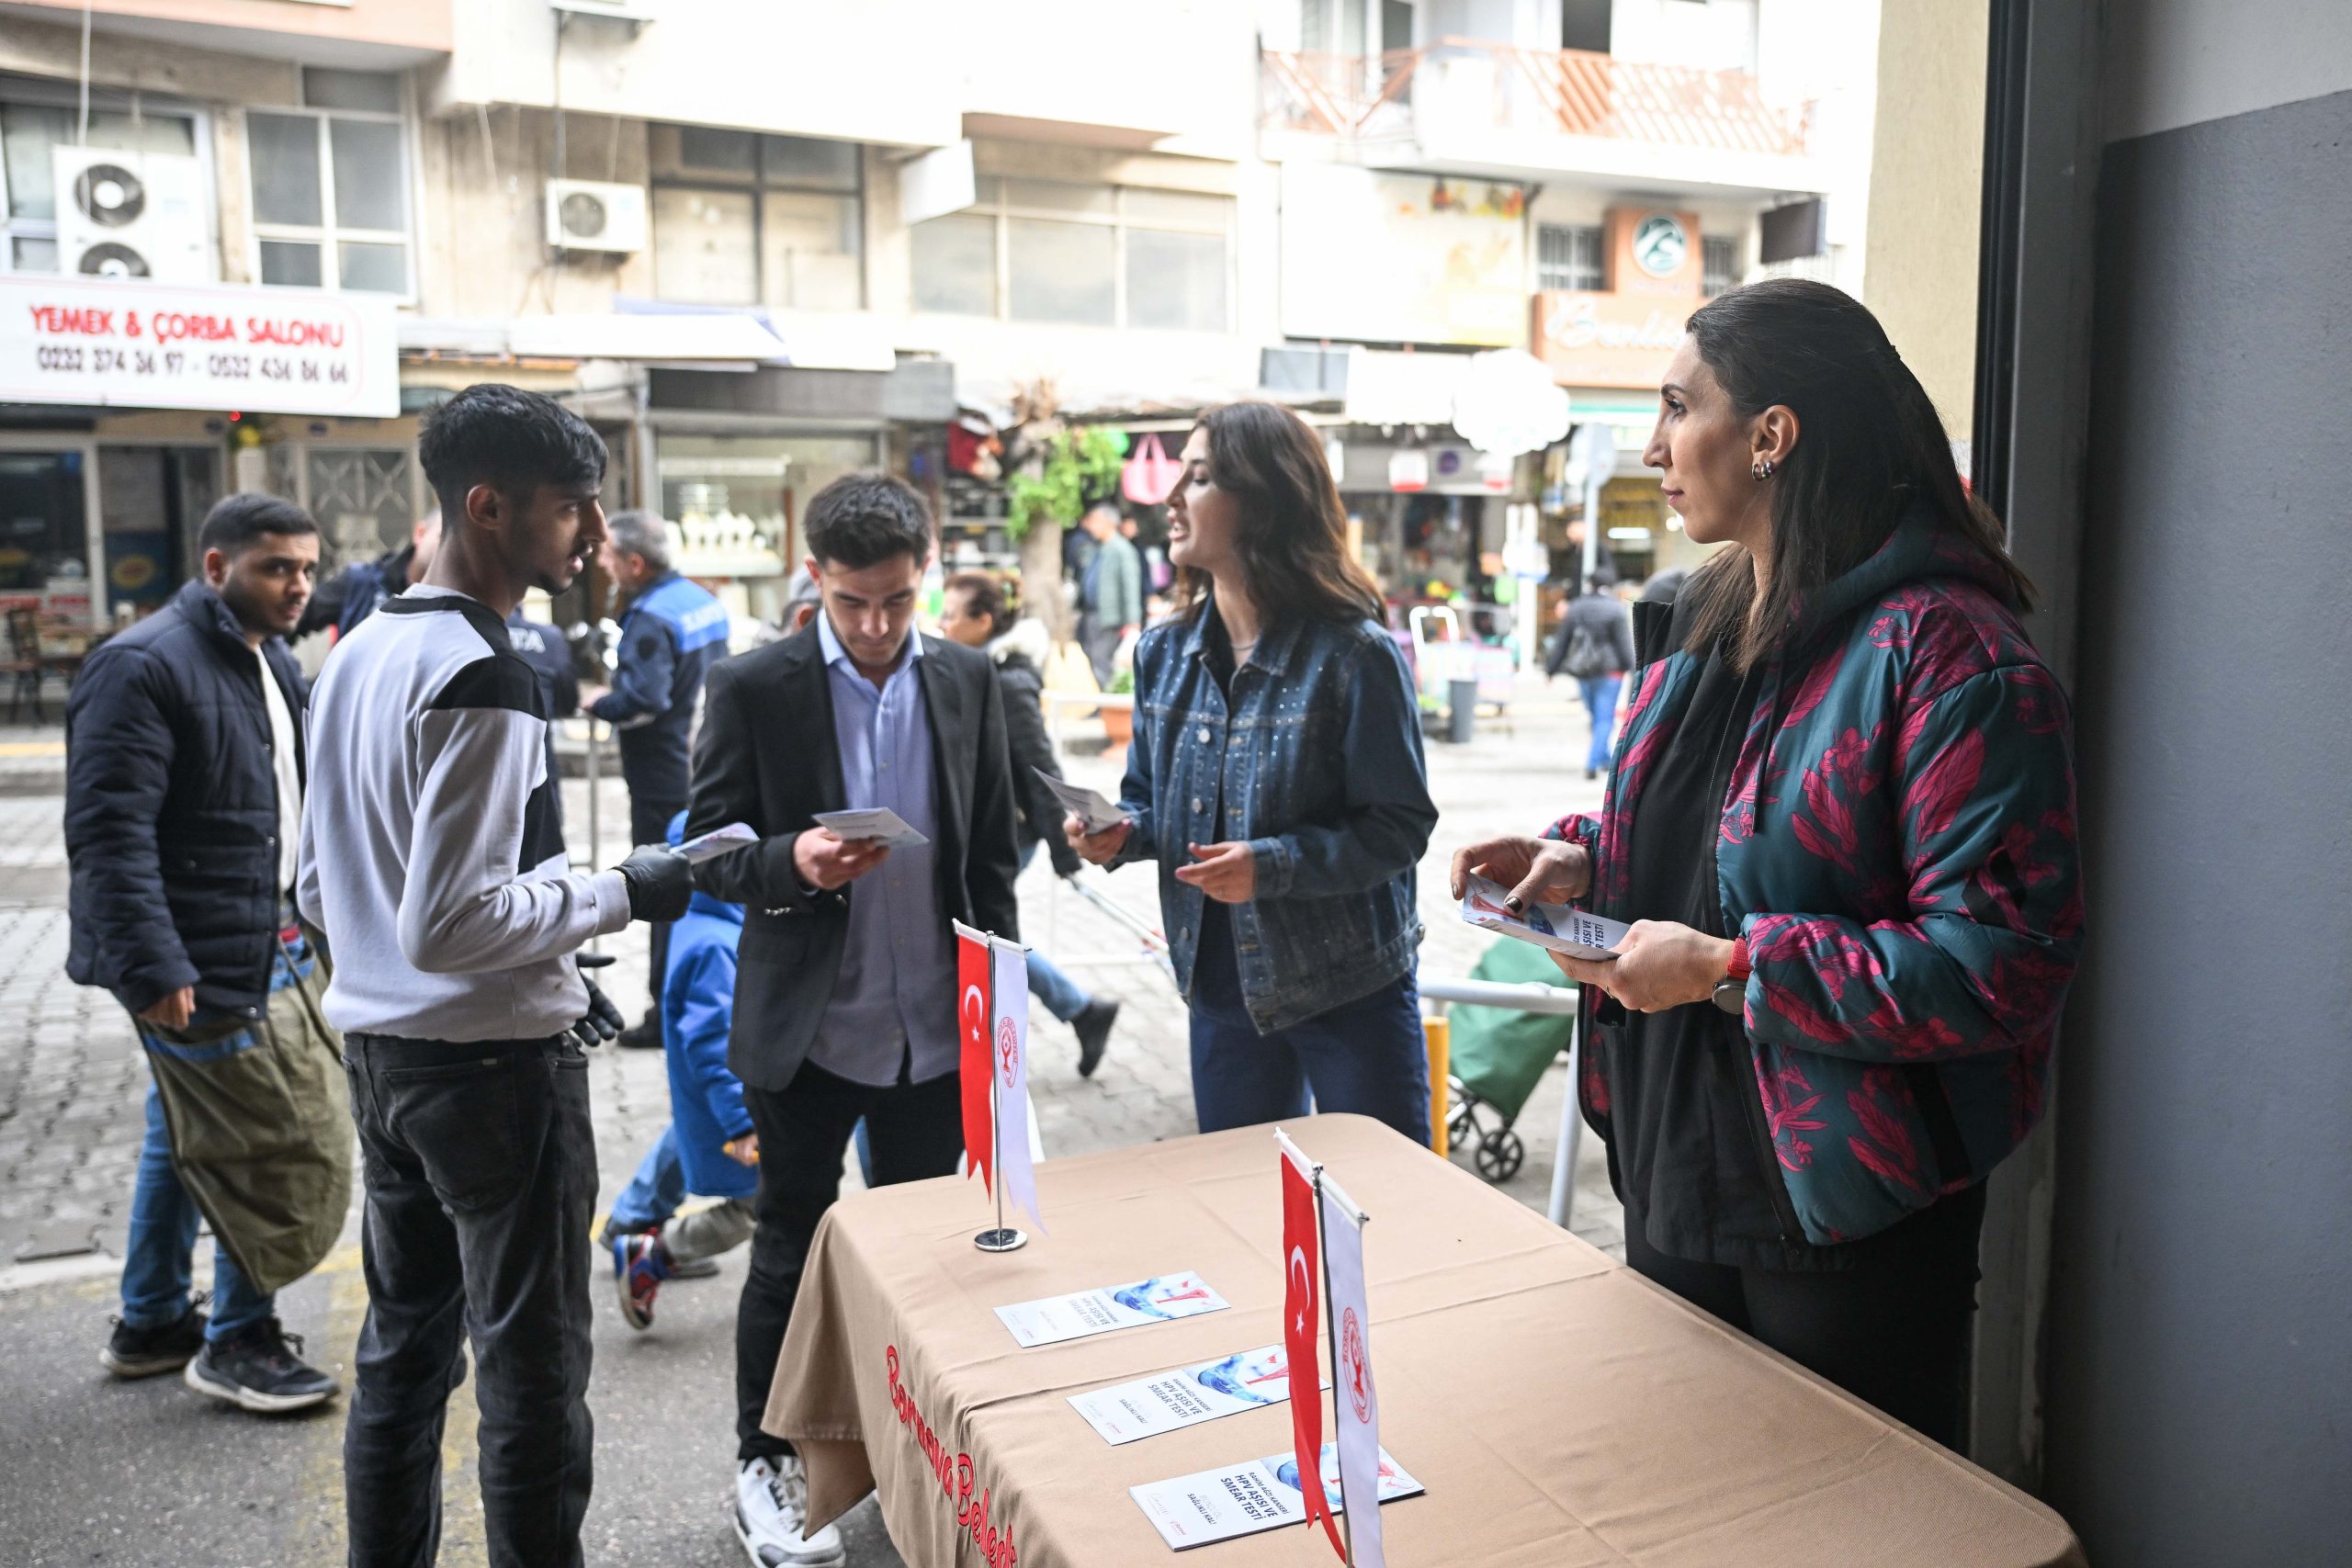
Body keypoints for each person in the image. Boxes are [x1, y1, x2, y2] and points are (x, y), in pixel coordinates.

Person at [1448, 277, 2082, 1450]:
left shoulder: (1955, 660)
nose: (1652, 444)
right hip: (1672, 1164)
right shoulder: (1707, 613)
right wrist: (1576, 860)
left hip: (1844, 1212)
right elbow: (1710, 841)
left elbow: (2003, 969)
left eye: (1677, 405)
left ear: (1771, 435)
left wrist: (1734, 969)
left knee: (1846, 1525)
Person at [300, 383, 693, 1568]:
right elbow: (457, 921)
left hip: (382, 1063)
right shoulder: (487, 671)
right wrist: (628, 887)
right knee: (530, 1381)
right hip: (489, 1076)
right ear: (487, 507)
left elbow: (319, 891)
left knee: (403, 1360)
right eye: (573, 509)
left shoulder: (358, 649)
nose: (592, 535)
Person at [687, 473, 1021, 1568]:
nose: (875, 629)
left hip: (936, 1024)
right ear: (814, 583)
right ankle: (767, 1462)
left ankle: (910, 1451)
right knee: (791, 1239)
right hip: (812, 1025)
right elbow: (710, 846)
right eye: (851, 605)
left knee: (928, 1249)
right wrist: (794, 858)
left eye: (895, 602)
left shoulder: (972, 677)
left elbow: (988, 856)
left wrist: (1000, 1014)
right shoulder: (754, 687)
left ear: (925, 574)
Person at [1067, 402, 1436, 1144]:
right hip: (1222, 987)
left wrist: (1273, 865)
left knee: (1388, 1206)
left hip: (1350, 985)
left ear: (1265, 501)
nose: (1170, 499)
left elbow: (1398, 829)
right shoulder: (1161, 654)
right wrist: (1122, 832)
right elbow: (1148, 795)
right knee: (1243, 1210)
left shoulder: (1354, 654)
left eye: (1198, 478)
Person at [66, 492, 345, 1413]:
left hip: (268, 936)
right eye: (276, 566)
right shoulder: (143, 666)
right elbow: (109, 836)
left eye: (306, 567)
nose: (297, 583)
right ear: (216, 566)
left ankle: (149, 1320)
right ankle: (239, 1339)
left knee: (180, 1133)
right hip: (202, 956)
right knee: (262, 1142)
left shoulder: (267, 661)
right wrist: (153, 966)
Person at [938, 570, 1121, 1075]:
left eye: (952, 615)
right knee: (979, 935)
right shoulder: (975, 669)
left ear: (983, 621)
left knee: (977, 936)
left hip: (1005, 836)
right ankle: (1081, 1010)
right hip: (975, 833)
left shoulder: (1007, 680)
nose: (941, 622)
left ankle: (1060, 1018)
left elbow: (1040, 769)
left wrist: (1066, 848)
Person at [582, 510, 729, 1048]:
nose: (600, 561)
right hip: (705, 763)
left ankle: (665, 1011)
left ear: (635, 563)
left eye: (609, 554)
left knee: (664, 885)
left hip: (662, 774)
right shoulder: (700, 601)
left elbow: (644, 699)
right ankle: (702, 996)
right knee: (704, 881)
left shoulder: (651, 617)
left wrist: (598, 701)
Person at [607, 812, 759, 1332]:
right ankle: (654, 1255)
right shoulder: (715, 943)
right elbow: (712, 1041)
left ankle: (634, 1225)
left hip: (715, 1100)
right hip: (731, 1106)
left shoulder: (697, 920)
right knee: (757, 1204)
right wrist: (741, 1121)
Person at [298, 507, 441, 643]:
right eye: (442, 537)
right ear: (420, 533)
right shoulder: (361, 581)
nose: (449, 550)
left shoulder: (455, 599)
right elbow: (296, 620)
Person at [1546, 572, 1635, 779]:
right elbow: (1623, 643)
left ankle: (1603, 758)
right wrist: (1634, 669)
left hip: (1583, 671)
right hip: (1611, 671)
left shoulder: (1577, 607)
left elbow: (1563, 641)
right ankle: (1593, 763)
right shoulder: (1615, 608)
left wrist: (1551, 669)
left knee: (1596, 717)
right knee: (1604, 718)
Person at [1073, 497, 1142, 688]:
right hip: (1091, 614)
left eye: (1095, 521)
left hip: (1109, 617)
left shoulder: (1122, 549)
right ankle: (1099, 700)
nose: (1091, 526)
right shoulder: (1097, 548)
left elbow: (1130, 587)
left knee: (1102, 660)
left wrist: (1132, 622)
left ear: (1108, 522)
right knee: (1092, 658)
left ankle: (1104, 703)